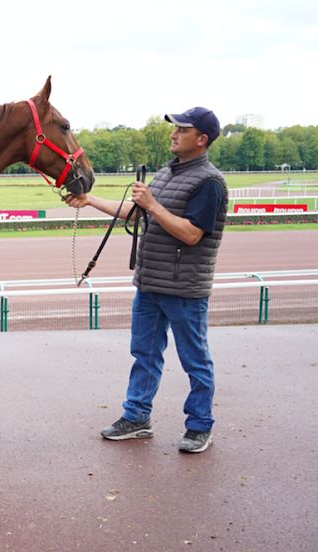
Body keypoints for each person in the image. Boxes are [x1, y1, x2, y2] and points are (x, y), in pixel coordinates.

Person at [64, 107, 227, 453]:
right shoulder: (167, 174)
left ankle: (200, 426)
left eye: (183, 129)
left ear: (201, 139)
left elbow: (192, 234)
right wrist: (89, 200)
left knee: (194, 360)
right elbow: (135, 212)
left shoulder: (209, 183)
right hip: (150, 284)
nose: (174, 133)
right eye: (175, 128)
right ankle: (137, 417)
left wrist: (152, 206)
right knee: (144, 354)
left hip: (184, 289)